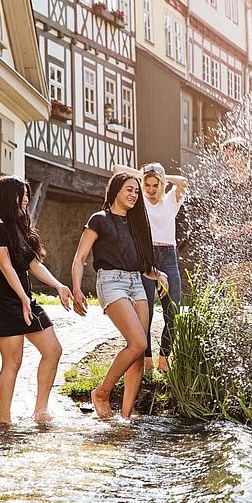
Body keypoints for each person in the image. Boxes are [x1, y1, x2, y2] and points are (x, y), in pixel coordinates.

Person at [71, 173, 168, 419]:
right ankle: (102, 392)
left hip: (137, 282)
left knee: (136, 351)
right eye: (130, 189)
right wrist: (77, 288)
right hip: (111, 282)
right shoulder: (99, 220)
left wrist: (160, 275)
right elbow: (80, 258)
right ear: (116, 190)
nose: (134, 194)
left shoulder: (137, 224)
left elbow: (143, 265)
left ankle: (126, 416)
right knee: (139, 343)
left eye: (137, 191)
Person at [0, 176, 73, 424]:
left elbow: (33, 264)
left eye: (26, 195)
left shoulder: (18, 226)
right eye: (20, 194)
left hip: (23, 296)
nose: (25, 199)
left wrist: (59, 285)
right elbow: (5, 265)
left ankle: (40, 411)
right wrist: (22, 298)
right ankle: (5, 421)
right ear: (7, 196)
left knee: (53, 350)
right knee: (13, 361)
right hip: (3, 297)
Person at [112, 162, 188, 373]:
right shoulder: (140, 201)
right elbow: (117, 170)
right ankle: (147, 360)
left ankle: (164, 357)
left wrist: (161, 175)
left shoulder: (172, 199)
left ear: (162, 184)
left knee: (173, 311)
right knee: (144, 313)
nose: (151, 190)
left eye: (156, 185)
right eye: (147, 185)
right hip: (146, 257)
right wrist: (144, 174)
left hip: (169, 257)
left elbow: (184, 182)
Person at [209, 137, 252, 309]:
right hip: (231, 257)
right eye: (226, 156)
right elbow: (212, 224)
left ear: (245, 156)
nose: (228, 160)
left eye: (232, 155)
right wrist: (225, 231)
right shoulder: (219, 187)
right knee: (233, 308)